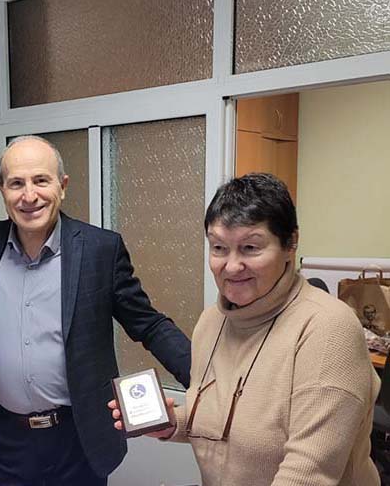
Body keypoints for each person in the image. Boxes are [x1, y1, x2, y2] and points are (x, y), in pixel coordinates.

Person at [0, 135, 191, 485]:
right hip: (4, 438)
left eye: (41, 181)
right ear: (2, 189)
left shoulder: (99, 250)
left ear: (62, 186)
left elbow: (148, 325)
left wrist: (207, 381)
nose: (29, 195)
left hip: (77, 438)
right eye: (16, 183)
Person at [110, 173, 380, 485]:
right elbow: (223, 419)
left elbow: (307, 472)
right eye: (219, 247)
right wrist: (173, 423)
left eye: (250, 247)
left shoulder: (328, 329)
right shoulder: (212, 322)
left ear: (290, 244)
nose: (231, 266)